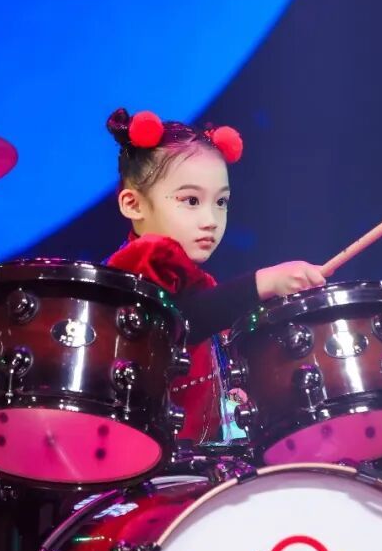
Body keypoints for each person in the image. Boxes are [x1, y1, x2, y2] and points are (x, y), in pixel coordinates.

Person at [104, 107, 326, 443]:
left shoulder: (195, 281)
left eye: (221, 202)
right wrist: (264, 283)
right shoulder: (145, 258)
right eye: (191, 200)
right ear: (133, 204)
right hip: (144, 454)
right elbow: (180, 321)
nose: (211, 220)